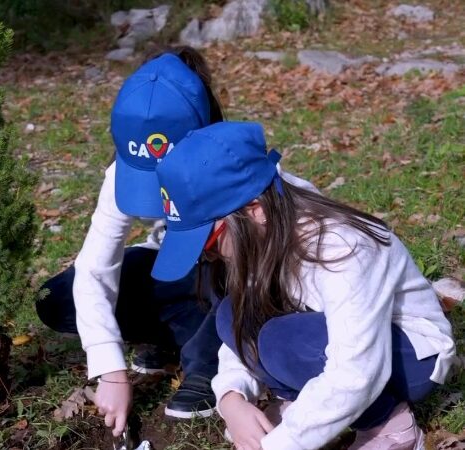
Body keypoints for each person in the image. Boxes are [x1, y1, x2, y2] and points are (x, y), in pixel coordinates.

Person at [150, 121, 456, 450]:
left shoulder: (344, 247)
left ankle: (388, 425)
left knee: (281, 340)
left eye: (208, 244)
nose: (208, 258)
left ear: (255, 211)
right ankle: (306, 403)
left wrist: (281, 444)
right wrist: (231, 397)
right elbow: (239, 334)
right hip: (327, 342)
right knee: (230, 315)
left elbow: (356, 371)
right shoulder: (260, 235)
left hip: (407, 355)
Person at [36, 47, 226, 437]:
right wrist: (111, 370)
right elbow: (94, 269)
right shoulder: (120, 171)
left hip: (223, 272)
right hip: (173, 268)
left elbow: (261, 270)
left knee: (228, 284)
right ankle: (176, 334)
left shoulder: (231, 163)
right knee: (56, 298)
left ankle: (206, 362)